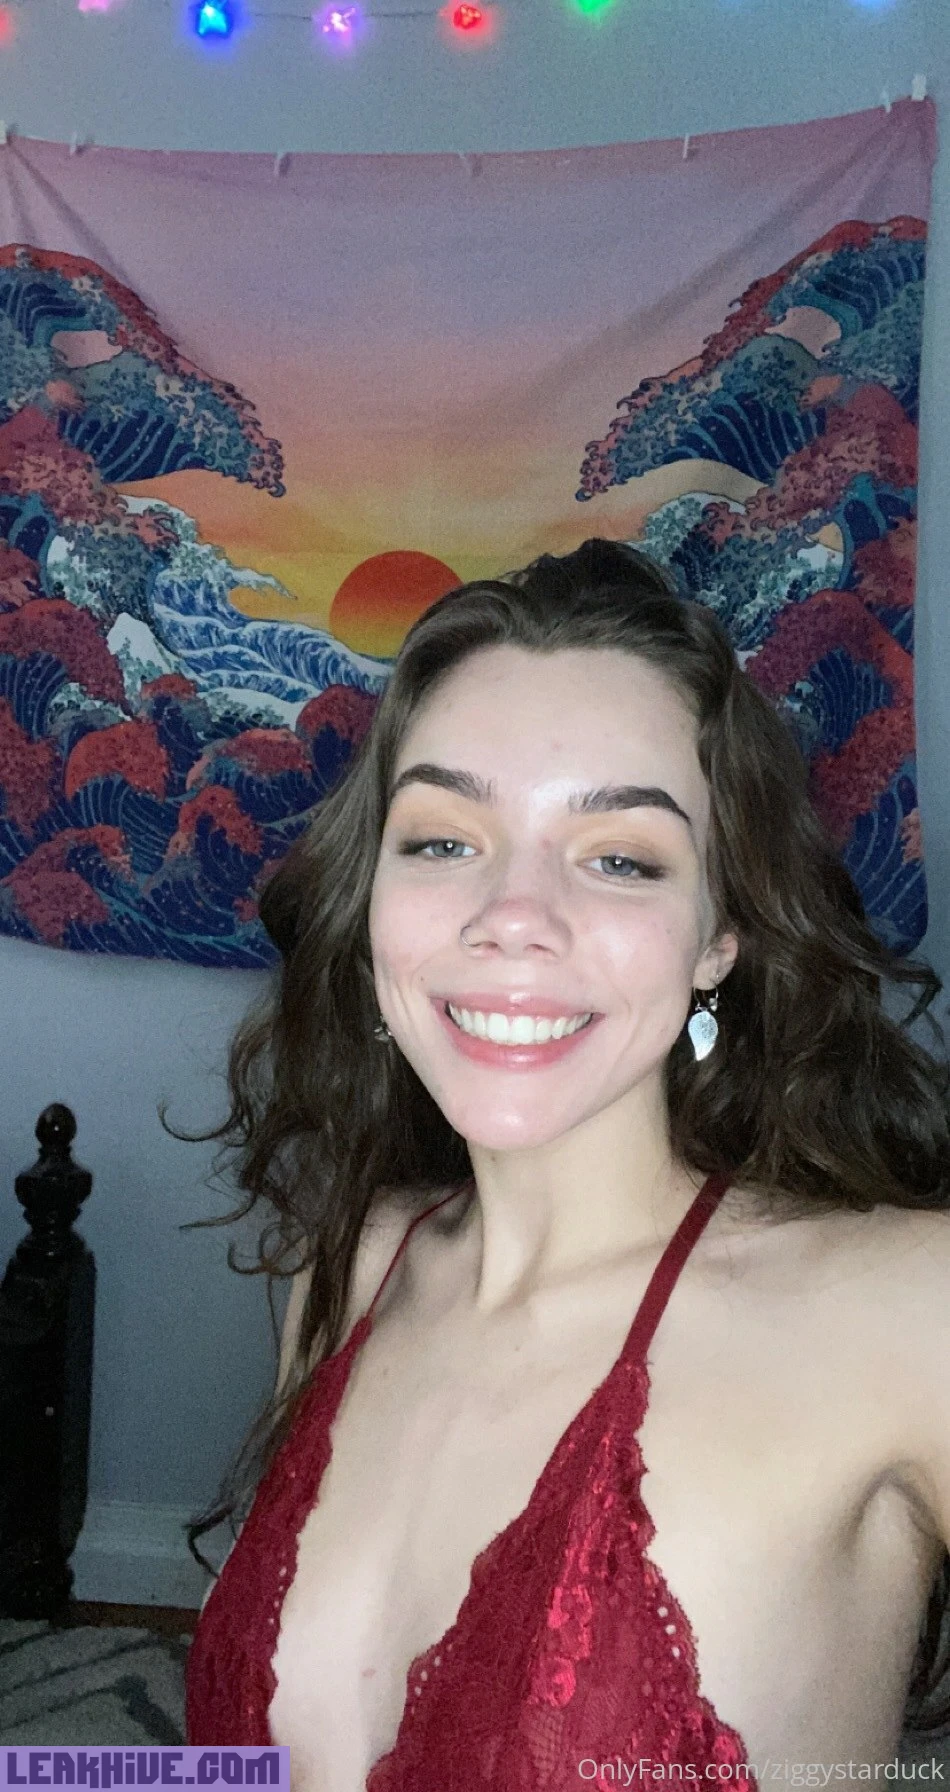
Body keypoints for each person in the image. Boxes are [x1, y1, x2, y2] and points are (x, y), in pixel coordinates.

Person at [180, 538, 950, 1788]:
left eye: (619, 858)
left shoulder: (904, 1311)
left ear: (718, 937)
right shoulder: (350, 1264)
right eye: (441, 840)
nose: (512, 917)